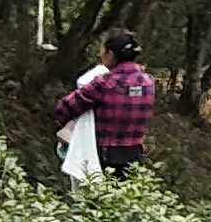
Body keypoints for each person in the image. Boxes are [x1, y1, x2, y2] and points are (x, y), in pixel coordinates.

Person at [53, 29, 157, 178]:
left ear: (111, 54)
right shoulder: (148, 82)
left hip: (106, 157)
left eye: (102, 50)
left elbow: (64, 108)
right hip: (135, 155)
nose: (100, 55)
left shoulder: (104, 83)